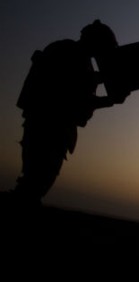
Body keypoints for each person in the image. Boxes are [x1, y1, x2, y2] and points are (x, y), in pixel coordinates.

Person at [10, 19, 129, 207]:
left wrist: (110, 99)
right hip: (46, 126)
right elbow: (68, 95)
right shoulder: (66, 52)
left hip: (56, 130)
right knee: (35, 183)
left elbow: (81, 102)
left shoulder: (80, 61)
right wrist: (108, 98)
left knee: (37, 183)